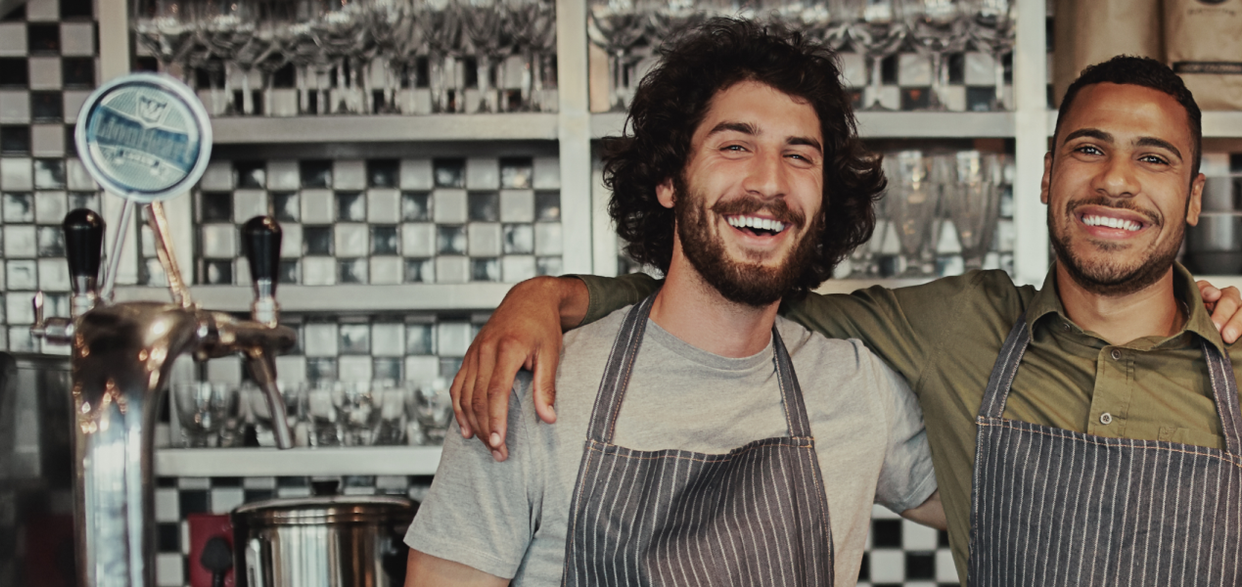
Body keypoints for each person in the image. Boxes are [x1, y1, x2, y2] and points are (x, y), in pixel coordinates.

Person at [452, 56, 1242, 585]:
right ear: (1048, 174)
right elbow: (742, 289)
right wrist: (552, 297)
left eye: (1154, 159)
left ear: (1193, 199)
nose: (1115, 180)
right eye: (1089, 150)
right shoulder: (961, 330)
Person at [404, 19, 944, 586]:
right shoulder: (533, 390)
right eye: (735, 146)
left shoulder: (857, 389)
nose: (769, 181)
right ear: (669, 181)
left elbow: (1008, 514)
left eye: (799, 156)